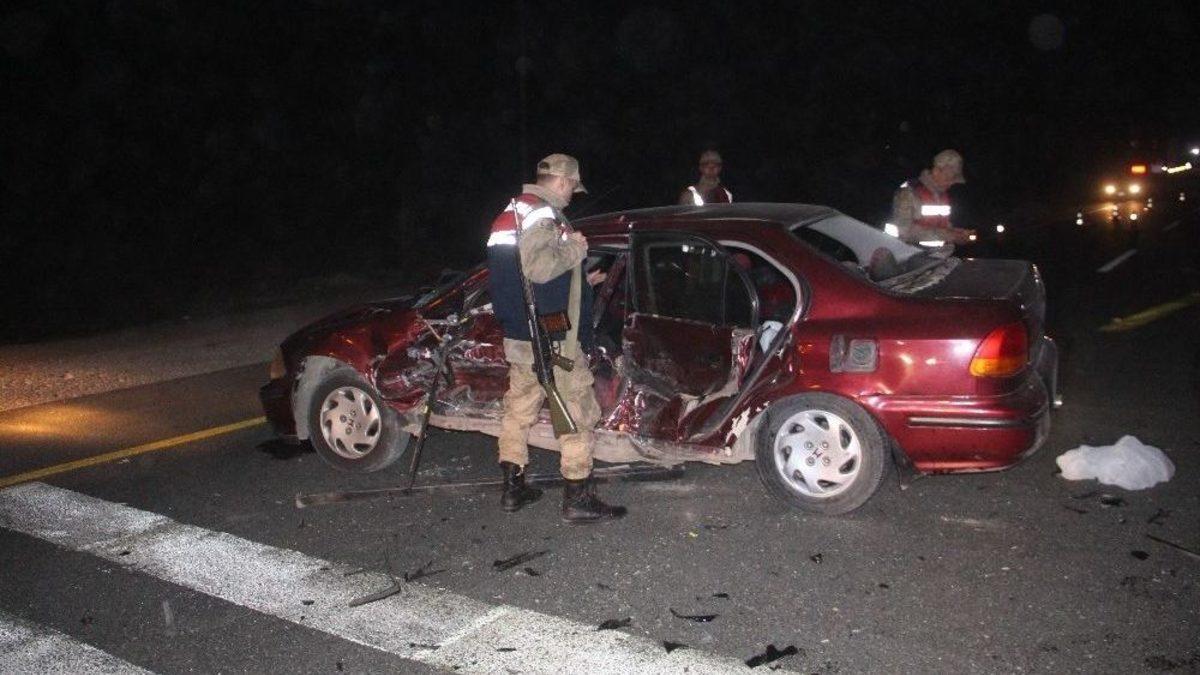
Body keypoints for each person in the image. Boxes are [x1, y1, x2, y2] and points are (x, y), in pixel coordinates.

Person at [485, 153, 626, 523]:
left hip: (521, 335)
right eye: (572, 189)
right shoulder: (542, 214)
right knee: (577, 411)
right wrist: (576, 247)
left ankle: (513, 489)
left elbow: (521, 276)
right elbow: (539, 267)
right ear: (563, 181)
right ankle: (578, 497)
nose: (570, 197)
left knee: (519, 410)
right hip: (552, 337)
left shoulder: (511, 213)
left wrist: (580, 280)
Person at [890, 149, 975, 245]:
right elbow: (904, 232)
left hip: (940, 252)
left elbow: (940, 226)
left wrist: (958, 233)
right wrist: (947, 235)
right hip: (911, 252)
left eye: (954, 180)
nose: (951, 183)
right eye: (949, 178)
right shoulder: (908, 192)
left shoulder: (942, 195)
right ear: (936, 171)